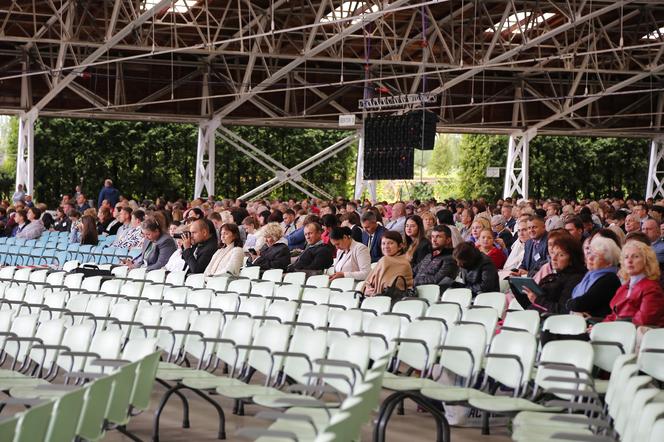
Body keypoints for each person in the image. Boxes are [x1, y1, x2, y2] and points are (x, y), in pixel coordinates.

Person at [603, 240, 664, 327]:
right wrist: (599, 327)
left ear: (646, 261)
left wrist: (609, 329)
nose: (629, 261)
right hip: (619, 333)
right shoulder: (624, 288)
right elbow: (613, 316)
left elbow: (643, 320)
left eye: (635, 256)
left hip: (638, 337)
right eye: (626, 257)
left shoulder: (652, 289)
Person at [521, 235, 586, 314]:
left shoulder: (575, 279)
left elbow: (562, 310)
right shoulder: (552, 276)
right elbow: (529, 304)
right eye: (553, 253)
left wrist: (537, 300)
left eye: (561, 255)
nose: (554, 258)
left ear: (572, 259)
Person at [567, 235, 621, 319]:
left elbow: (582, 303)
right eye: (590, 253)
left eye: (596, 256)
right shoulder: (589, 275)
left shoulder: (610, 279)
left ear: (608, 263)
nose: (590, 258)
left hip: (597, 325)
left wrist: (569, 303)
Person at [363, 230, 413, 297]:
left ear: (400, 246)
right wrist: (367, 289)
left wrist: (373, 291)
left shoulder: (403, 263)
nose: (386, 246)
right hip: (377, 299)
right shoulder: (383, 260)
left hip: (393, 301)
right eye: (383, 243)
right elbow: (368, 281)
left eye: (390, 243)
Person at [413, 225, 458, 292]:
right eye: (432, 237)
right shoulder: (429, 255)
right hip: (415, 290)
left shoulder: (451, 259)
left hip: (432, 294)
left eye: (438, 237)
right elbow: (414, 271)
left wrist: (413, 281)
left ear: (448, 240)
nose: (434, 240)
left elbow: (436, 280)